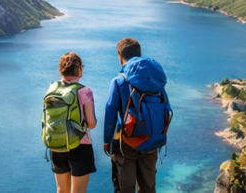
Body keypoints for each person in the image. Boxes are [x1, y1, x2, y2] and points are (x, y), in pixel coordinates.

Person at [103, 38, 170, 193]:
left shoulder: (119, 81)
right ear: (139, 54)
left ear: (120, 56)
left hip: (126, 140)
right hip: (152, 138)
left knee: (124, 187)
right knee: (148, 186)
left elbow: (110, 113)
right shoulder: (156, 81)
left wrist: (107, 142)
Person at [47, 53, 97, 193]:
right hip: (80, 145)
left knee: (61, 190)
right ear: (79, 70)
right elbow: (92, 124)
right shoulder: (84, 91)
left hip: (57, 144)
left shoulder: (52, 88)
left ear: (61, 70)